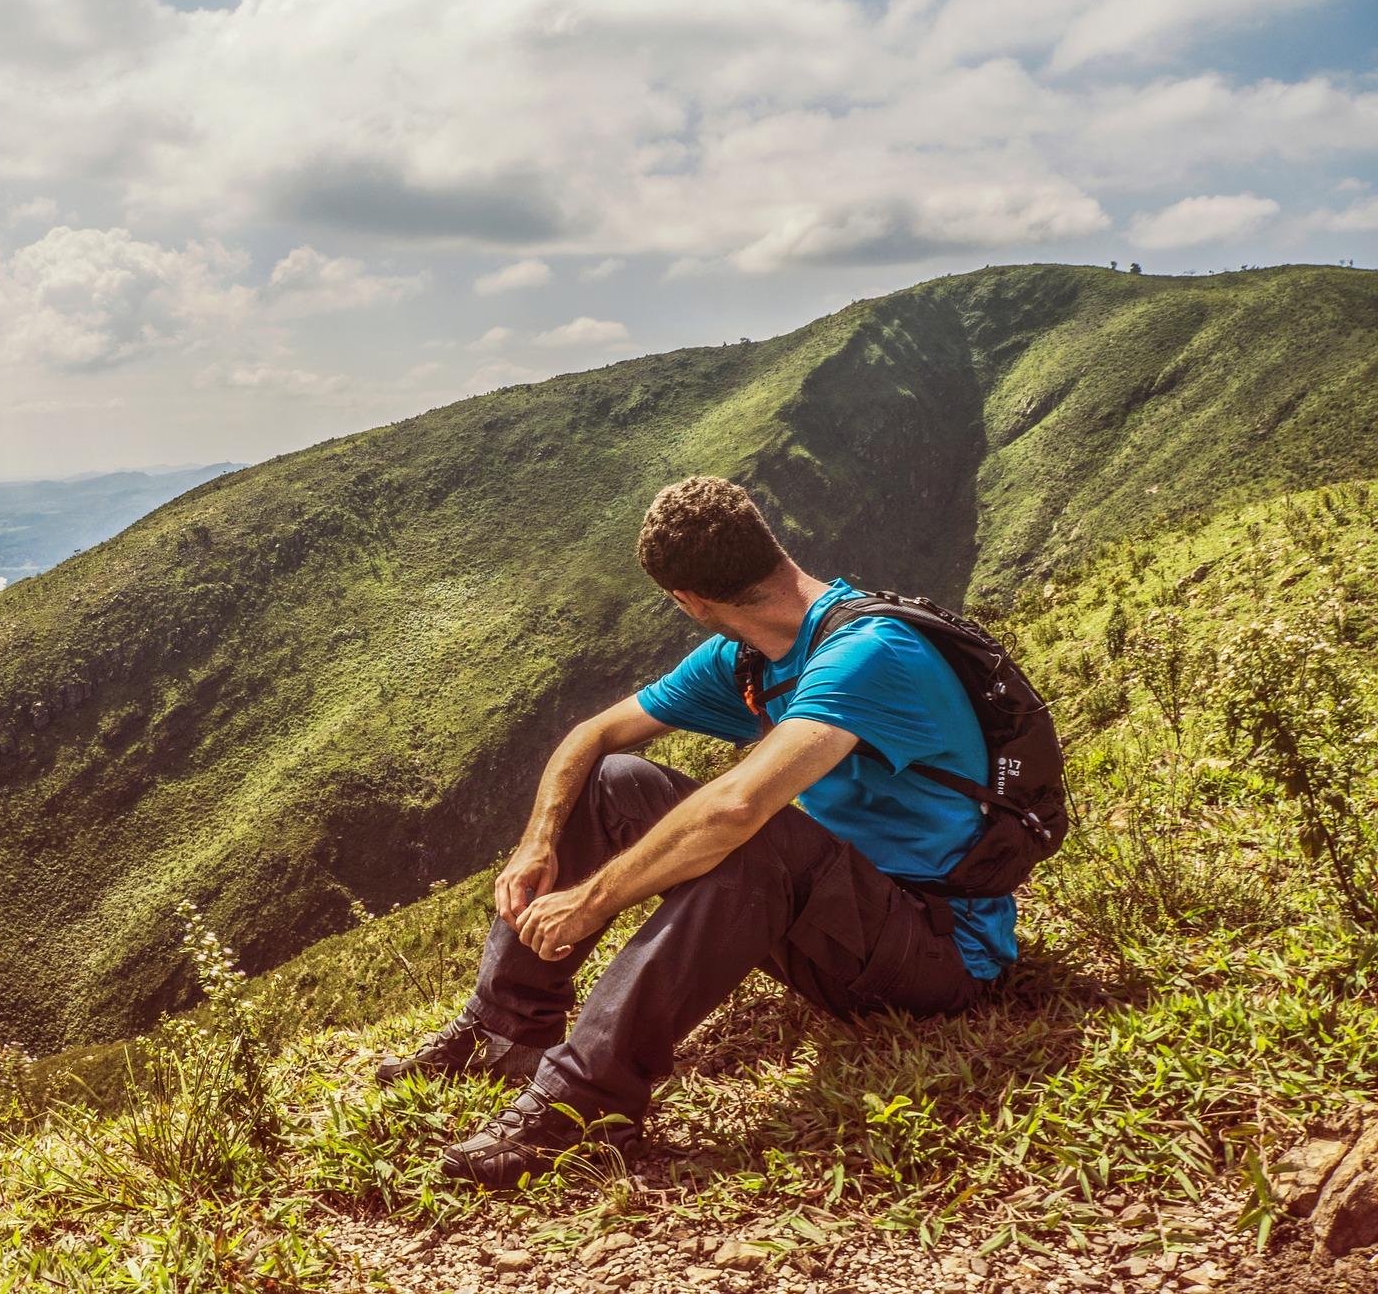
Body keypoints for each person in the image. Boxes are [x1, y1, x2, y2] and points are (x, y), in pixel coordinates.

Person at [375, 476, 1018, 1189]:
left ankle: (583, 1107)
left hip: (939, 951)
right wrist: (539, 838)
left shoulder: (866, 652)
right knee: (615, 776)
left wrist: (591, 900)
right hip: (845, 922)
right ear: (768, 543)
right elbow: (593, 735)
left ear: (686, 600)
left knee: (754, 839)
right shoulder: (751, 658)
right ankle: (505, 1028)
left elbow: (737, 808)